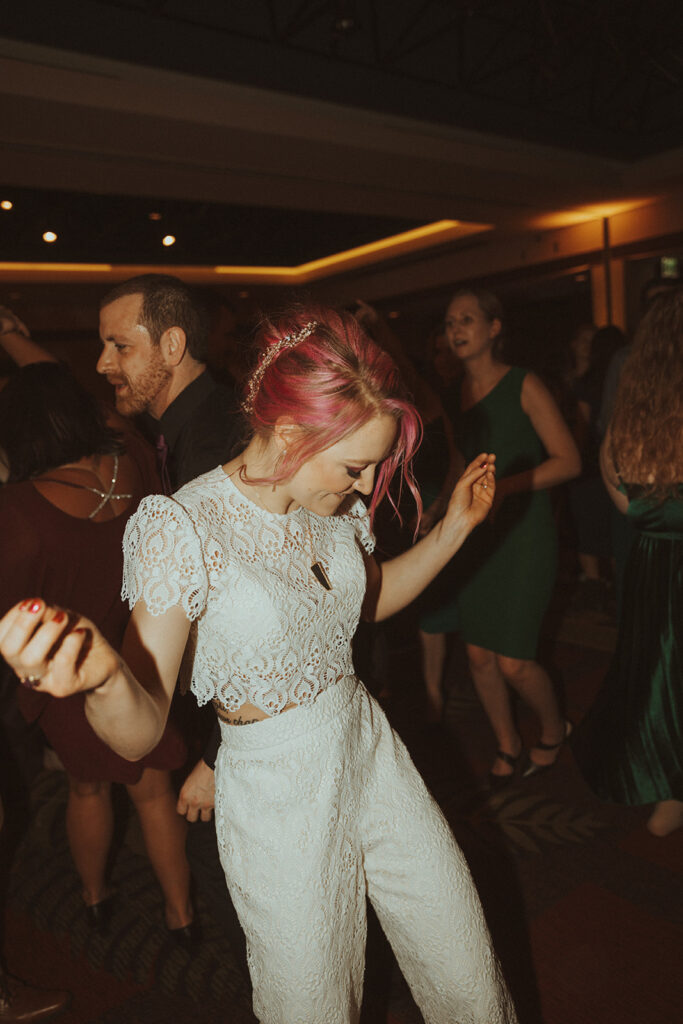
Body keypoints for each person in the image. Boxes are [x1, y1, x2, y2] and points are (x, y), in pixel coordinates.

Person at [0, 307, 517, 1024]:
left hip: (370, 749)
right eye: (355, 466)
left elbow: (369, 603)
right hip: (277, 792)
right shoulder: (182, 526)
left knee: (463, 963)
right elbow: (138, 733)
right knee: (313, 1005)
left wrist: (458, 526)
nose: (366, 488)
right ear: (294, 435)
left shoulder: (330, 507)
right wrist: (104, 677)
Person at [0, 363, 194, 938]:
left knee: (87, 788)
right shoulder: (131, 457)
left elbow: (12, 612)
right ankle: (182, 916)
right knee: (154, 791)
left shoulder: (18, 508)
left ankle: (93, 897)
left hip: (69, 668)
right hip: (140, 655)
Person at [443, 289, 581, 785]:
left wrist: (507, 488)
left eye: (468, 319)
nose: (456, 329)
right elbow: (463, 463)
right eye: (450, 321)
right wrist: (442, 511)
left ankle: (554, 727)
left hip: (525, 535)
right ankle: (507, 743)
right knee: (478, 655)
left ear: (494, 328)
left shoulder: (524, 384)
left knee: (515, 662)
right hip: (479, 538)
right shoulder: (457, 390)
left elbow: (570, 460)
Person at [571, 289, 683, 837]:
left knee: (656, 673)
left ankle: (667, 788)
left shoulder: (632, 423)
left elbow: (623, 498)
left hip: (649, 564)